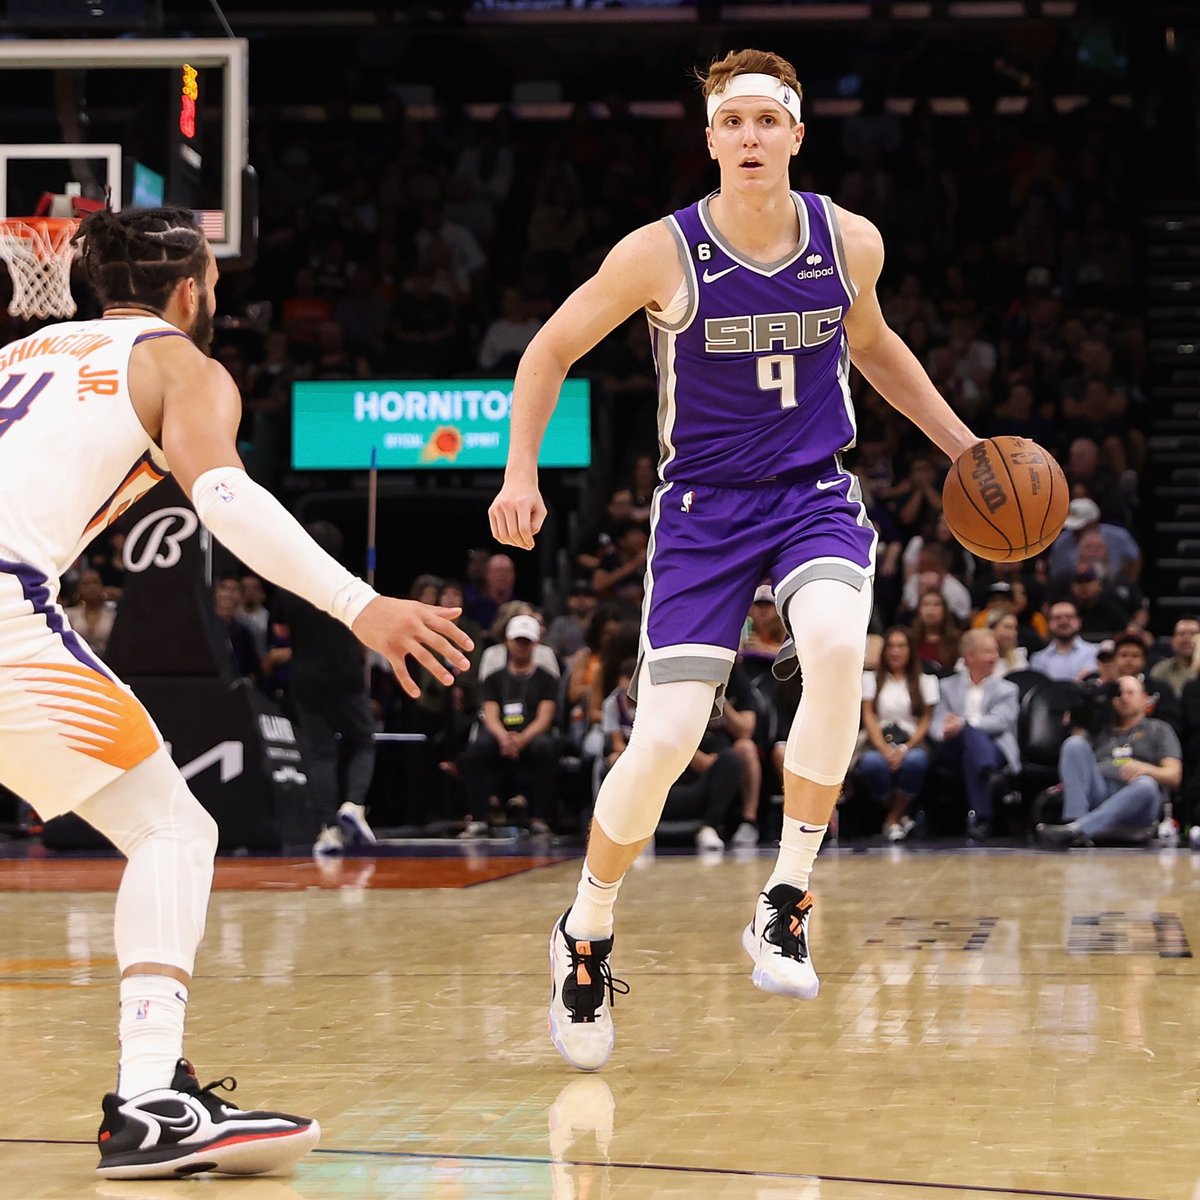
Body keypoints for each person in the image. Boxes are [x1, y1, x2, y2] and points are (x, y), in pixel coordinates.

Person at [487, 49, 980, 1071]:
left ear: (798, 135)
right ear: (709, 138)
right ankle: (584, 931)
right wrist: (519, 470)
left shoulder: (850, 242)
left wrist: (964, 448)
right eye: (734, 122)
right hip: (706, 512)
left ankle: (785, 899)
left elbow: (876, 345)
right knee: (666, 737)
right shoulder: (660, 254)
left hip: (811, 495)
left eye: (769, 120)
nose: (751, 137)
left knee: (841, 644)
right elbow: (546, 351)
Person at [0, 206, 472, 1178]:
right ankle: (149, 1102)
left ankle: (155, 1086)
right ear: (190, 292)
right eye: (213, 285)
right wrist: (359, 605)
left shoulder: (23, 355)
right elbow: (221, 496)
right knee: (176, 832)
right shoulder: (181, 364)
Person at [265, 521, 382, 856]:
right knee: (362, 741)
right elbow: (364, 630)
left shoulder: (290, 585)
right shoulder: (348, 581)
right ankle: (354, 806)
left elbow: (281, 630)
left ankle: (328, 830)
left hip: (306, 677)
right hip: (346, 674)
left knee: (320, 753)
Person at [1037, 676, 1182, 848]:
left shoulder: (1159, 729)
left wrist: (1145, 769)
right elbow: (1075, 761)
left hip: (1138, 804)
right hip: (1101, 793)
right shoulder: (1099, 728)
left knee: (1147, 785)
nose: (1123, 697)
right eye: (1119, 693)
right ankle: (1074, 823)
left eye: (1130, 693)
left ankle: (1080, 829)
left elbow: (1174, 776)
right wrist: (1081, 714)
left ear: (1145, 699)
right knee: (1073, 744)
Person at [461, 613, 560, 837]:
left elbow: (546, 716)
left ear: (535, 643)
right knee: (477, 749)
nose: (521, 647)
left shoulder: (546, 679)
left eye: (526, 642)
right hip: (501, 734)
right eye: (518, 641)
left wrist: (523, 738)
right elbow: (490, 713)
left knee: (545, 747)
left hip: (532, 733)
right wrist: (503, 737)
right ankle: (478, 818)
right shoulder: (494, 679)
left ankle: (540, 818)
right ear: (508, 641)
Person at [928, 629, 1021, 840]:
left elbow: (1000, 721)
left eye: (996, 651)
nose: (995, 657)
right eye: (989, 652)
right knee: (968, 735)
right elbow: (936, 724)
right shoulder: (946, 687)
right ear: (970, 656)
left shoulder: (1008, 689)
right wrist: (946, 730)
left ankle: (982, 820)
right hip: (952, 747)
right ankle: (991, 776)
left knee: (972, 746)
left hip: (994, 748)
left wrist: (964, 724)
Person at [857, 626, 938, 841]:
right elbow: (869, 716)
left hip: (912, 743)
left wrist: (904, 748)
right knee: (872, 764)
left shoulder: (926, 681)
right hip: (878, 742)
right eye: (891, 646)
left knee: (916, 761)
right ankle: (902, 815)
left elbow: (925, 720)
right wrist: (884, 749)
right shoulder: (870, 679)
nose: (896, 651)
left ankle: (892, 819)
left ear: (910, 650)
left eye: (901, 646)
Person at [1030, 600, 1100, 681]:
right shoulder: (1038, 660)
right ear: (1049, 623)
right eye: (1057, 618)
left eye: (1069, 617)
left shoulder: (1095, 653)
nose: (1063, 621)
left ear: (1079, 622)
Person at [63, 567, 117, 659]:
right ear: (78, 588)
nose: (91, 587)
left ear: (102, 586)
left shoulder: (113, 615)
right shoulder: (68, 614)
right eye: (85, 584)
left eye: (95, 582)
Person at [1148, 616, 1199, 697]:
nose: (1187, 639)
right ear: (1172, 640)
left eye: (1193, 634)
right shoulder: (1160, 669)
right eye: (1181, 634)